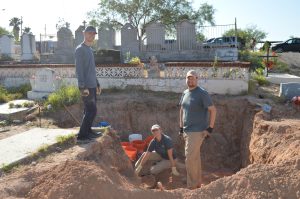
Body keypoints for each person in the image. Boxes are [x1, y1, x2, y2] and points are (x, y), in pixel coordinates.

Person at [179, 70, 217, 189]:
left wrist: (210, 128)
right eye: (188, 78)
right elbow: (181, 110)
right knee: (194, 158)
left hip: (197, 132)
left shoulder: (202, 93)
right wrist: (181, 128)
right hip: (186, 131)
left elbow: (213, 110)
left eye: (192, 78)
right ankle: (197, 182)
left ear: (197, 79)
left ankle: (191, 186)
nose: (190, 80)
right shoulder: (185, 92)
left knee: (189, 158)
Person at [75, 25, 101, 141]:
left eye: (93, 34)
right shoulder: (80, 49)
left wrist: (97, 84)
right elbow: (79, 69)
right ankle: (82, 136)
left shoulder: (90, 50)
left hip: (92, 85)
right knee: (92, 110)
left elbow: (91, 69)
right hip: (86, 86)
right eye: (89, 33)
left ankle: (88, 131)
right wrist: (82, 86)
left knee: (88, 110)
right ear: (84, 34)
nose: (91, 35)